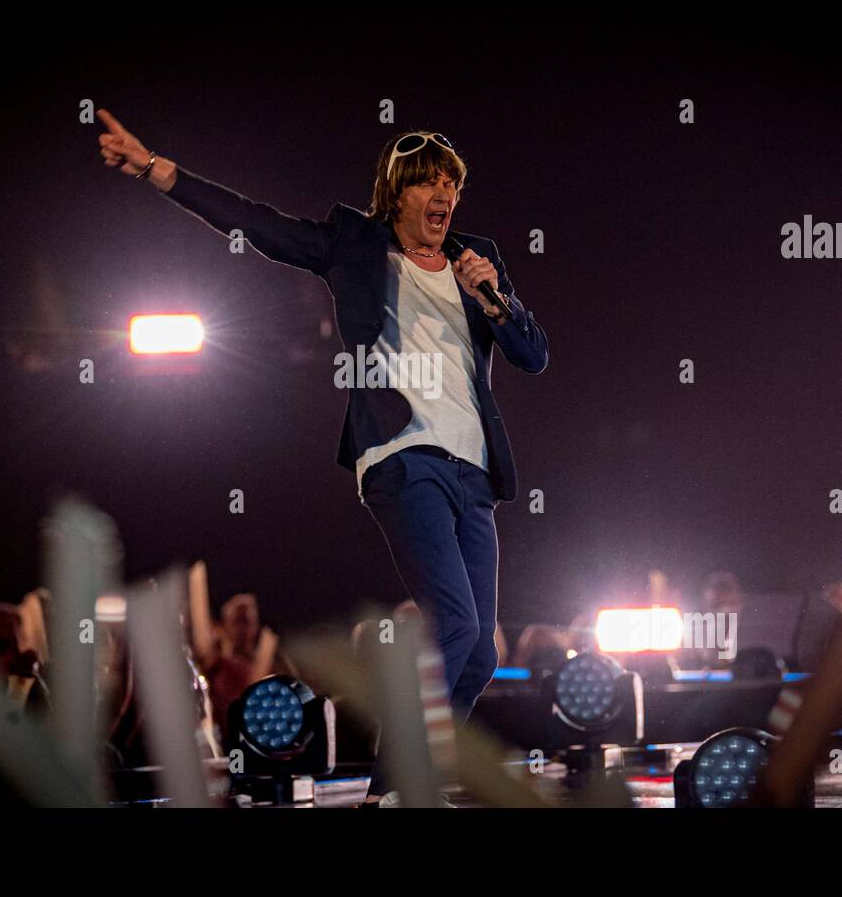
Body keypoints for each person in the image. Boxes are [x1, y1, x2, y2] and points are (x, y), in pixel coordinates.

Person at [97, 114, 549, 804]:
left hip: (474, 471)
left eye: (451, 183)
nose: (443, 193)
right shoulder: (354, 244)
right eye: (427, 181)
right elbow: (259, 223)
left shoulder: (475, 258)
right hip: (403, 457)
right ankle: (394, 791)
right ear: (396, 194)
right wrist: (160, 170)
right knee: (455, 621)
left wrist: (499, 299)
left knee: (481, 652)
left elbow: (533, 356)